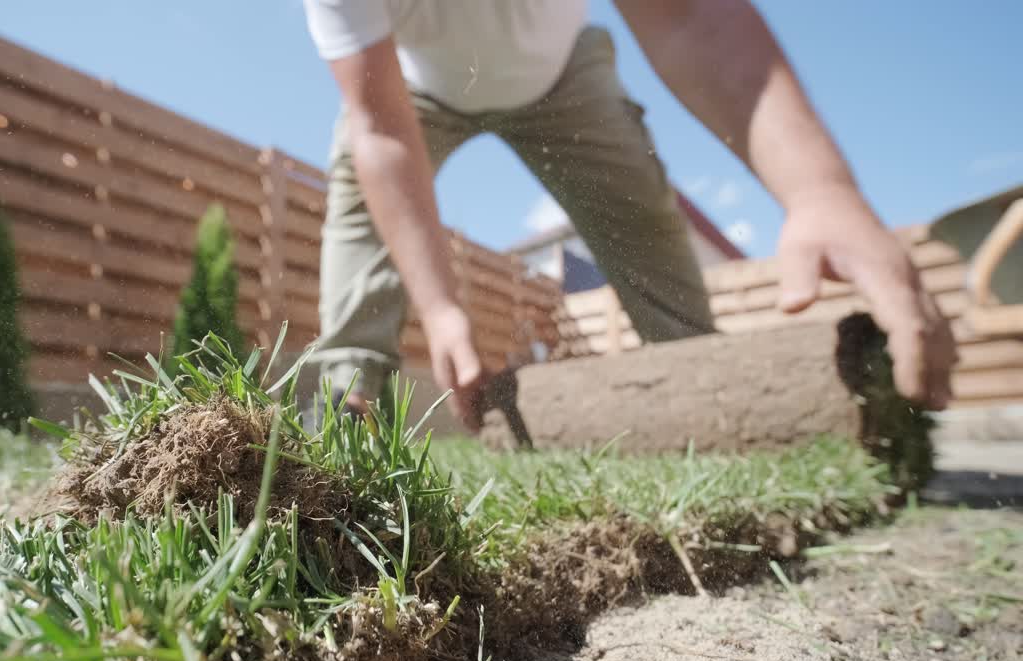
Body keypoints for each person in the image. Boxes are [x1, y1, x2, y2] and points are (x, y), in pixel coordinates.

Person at [299, 0, 958, 431]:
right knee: (361, 215)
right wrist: (441, 310)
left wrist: (821, 190)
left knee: (641, 215)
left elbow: (689, 17)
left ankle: (709, 390)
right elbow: (381, 132)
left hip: (560, 77)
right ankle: (346, 403)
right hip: (410, 92)